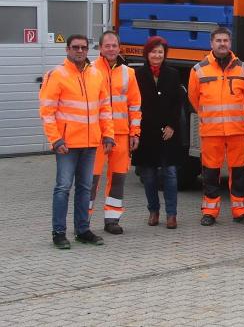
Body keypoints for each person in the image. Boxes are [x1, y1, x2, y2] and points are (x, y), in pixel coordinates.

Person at [40, 34, 114, 249]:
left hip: (91, 143)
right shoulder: (56, 75)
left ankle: (83, 230)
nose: (80, 51)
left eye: (83, 47)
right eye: (75, 47)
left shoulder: (96, 74)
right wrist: (55, 139)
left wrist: (108, 134)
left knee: (84, 188)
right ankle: (59, 233)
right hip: (67, 145)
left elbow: (104, 108)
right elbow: (47, 112)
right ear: (67, 49)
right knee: (63, 187)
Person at [188, 27, 244, 227]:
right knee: (210, 173)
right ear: (211, 43)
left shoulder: (243, 68)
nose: (222, 43)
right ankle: (210, 212)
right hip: (211, 132)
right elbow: (194, 98)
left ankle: (240, 211)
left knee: (239, 173)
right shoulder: (199, 70)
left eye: (225, 40)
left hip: (237, 130)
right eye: (218, 40)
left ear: (230, 43)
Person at [89, 31, 141, 235]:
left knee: (118, 179)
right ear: (100, 48)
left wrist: (135, 132)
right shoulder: (90, 70)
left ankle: (112, 220)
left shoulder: (129, 73)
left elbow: (135, 105)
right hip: (97, 135)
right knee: (91, 180)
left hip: (121, 134)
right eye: (107, 46)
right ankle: (84, 221)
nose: (111, 49)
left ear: (120, 48)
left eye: (114, 46)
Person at [132, 36, 183, 229]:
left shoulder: (173, 74)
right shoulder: (137, 75)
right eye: (154, 51)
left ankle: (172, 215)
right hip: (146, 133)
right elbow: (134, 103)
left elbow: (178, 103)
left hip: (167, 133)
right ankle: (153, 211)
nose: (157, 55)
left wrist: (172, 126)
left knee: (170, 174)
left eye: (160, 52)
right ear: (147, 53)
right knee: (149, 176)